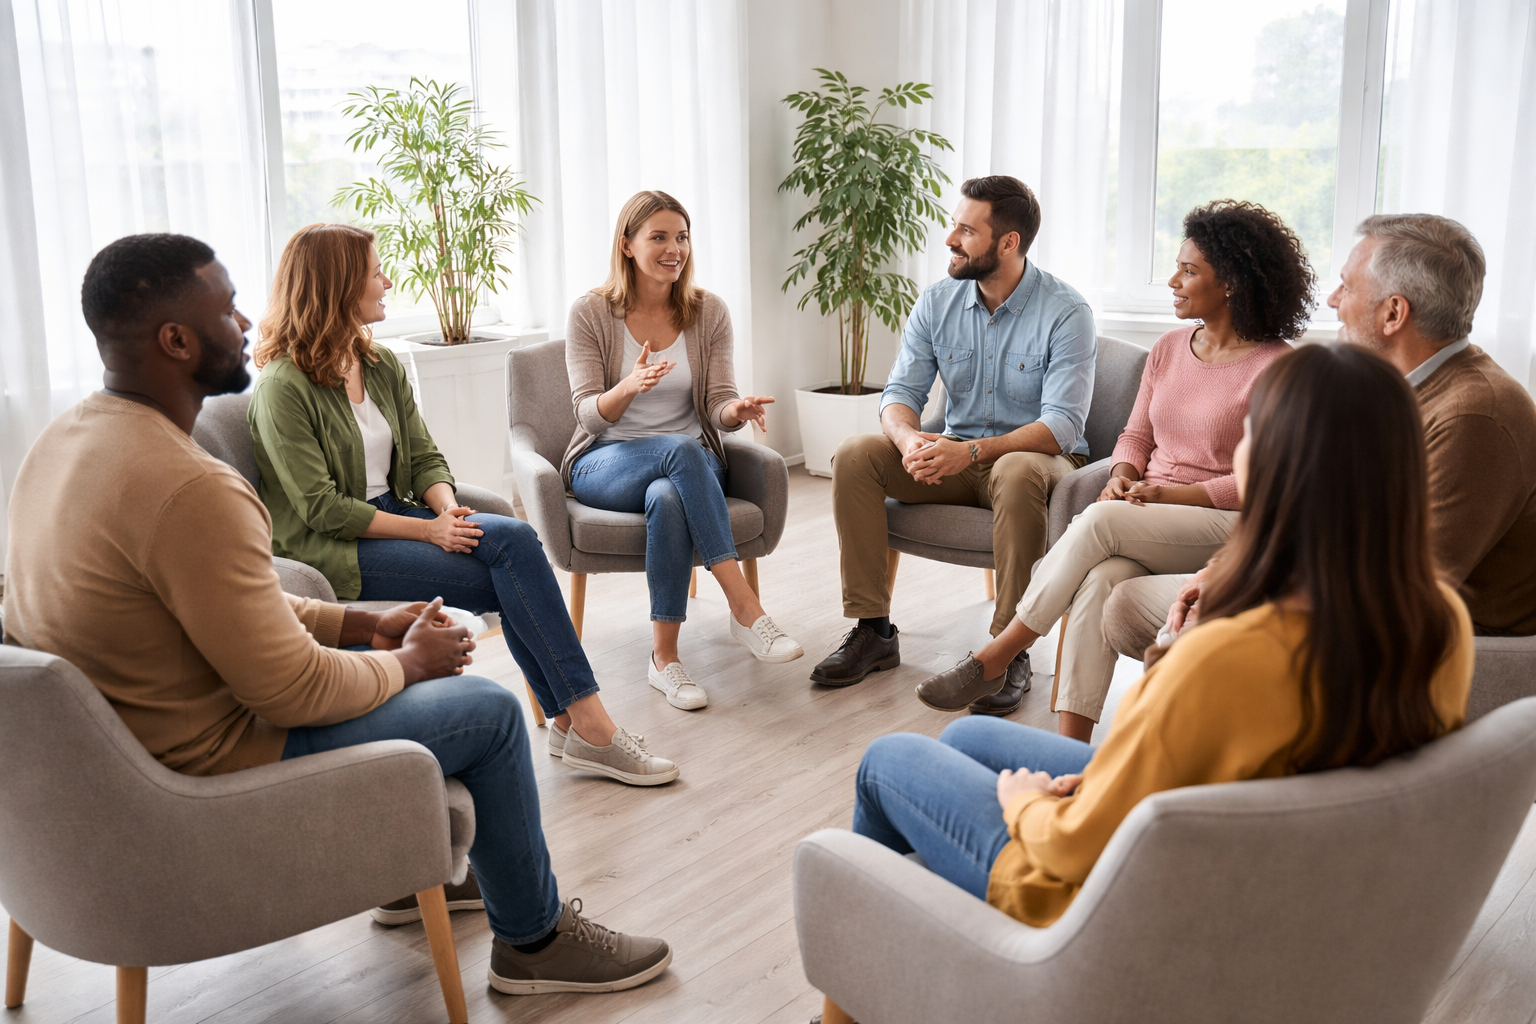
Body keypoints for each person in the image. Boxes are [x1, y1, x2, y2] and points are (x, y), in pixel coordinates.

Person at [2, 233, 672, 995]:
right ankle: (536, 943)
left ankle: (418, 867)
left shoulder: (59, 444)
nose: (247, 320)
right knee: (485, 711)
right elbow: (289, 694)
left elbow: (219, 601)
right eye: (226, 308)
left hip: (121, 753)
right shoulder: (191, 486)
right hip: (205, 766)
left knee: (493, 569)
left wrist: (359, 627)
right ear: (176, 339)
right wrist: (406, 662)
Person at [849, 343, 1473, 930]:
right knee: (968, 734)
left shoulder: (1223, 657)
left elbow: (1071, 847)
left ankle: (944, 964)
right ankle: (942, 942)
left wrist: (1028, 804)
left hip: (1113, 904)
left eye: (1251, 434)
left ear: (1282, 466)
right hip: (1255, 878)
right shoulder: (1440, 620)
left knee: (886, 762)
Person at [247, 223, 676, 785]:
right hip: (338, 548)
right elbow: (322, 509)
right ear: (338, 285)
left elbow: (424, 455)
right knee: (515, 574)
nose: (388, 281)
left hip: (402, 516)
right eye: (376, 273)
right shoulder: (282, 386)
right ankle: (585, 725)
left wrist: (445, 511)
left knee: (517, 542)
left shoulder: (377, 365)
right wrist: (427, 532)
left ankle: (579, 725)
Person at [915, 201, 1311, 739]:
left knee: (1100, 523)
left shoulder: (1279, 368)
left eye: (1188, 271)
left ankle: (998, 655)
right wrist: (1123, 473)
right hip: (1147, 508)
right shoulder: (1170, 349)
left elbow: (1265, 482)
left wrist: (1169, 496)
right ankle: (1070, 751)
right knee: (1099, 582)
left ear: (1234, 283)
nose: (1172, 280)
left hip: (1228, 522)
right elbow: (1137, 435)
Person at [1105, 213, 1536, 660]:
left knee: (1148, 614)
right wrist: (1228, 567)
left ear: (1393, 313)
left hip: (1432, 642)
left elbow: (1406, 589)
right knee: (1126, 604)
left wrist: (1250, 589)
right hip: (1342, 589)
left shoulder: (1475, 417)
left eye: (1347, 287)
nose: (1331, 300)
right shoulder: (1388, 391)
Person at [810, 175, 1096, 713]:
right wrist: (910, 439)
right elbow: (899, 393)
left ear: (1007, 243)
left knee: (1015, 469)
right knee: (856, 454)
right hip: (957, 456)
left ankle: (1005, 653)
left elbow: (1061, 423)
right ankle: (873, 630)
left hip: (1038, 464)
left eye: (966, 230)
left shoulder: (1066, 311)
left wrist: (968, 452)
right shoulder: (938, 301)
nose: (949, 238)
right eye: (954, 224)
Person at [564, 191, 803, 711]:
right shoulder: (590, 312)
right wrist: (629, 386)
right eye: (659, 237)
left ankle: (664, 662)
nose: (675, 249)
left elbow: (716, 401)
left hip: (689, 464)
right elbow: (586, 413)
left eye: (682, 237)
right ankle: (746, 608)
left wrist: (733, 412)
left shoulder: (707, 311)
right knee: (677, 451)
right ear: (627, 245)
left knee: (670, 496)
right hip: (606, 461)